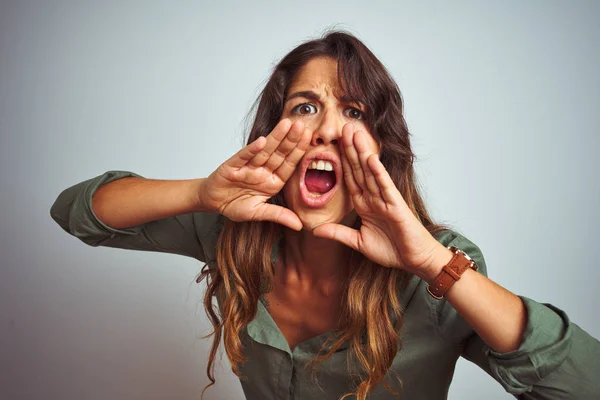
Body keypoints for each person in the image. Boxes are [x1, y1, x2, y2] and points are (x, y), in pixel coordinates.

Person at [50, 31, 600, 400]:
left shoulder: (438, 269)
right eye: (305, 107)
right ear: (273, 137)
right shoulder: (231, 230)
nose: (329, 129)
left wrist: (433, 262)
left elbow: (583, 383)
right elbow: (77, 212)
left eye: (354, 111)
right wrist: (202, 193)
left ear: (382, 146)